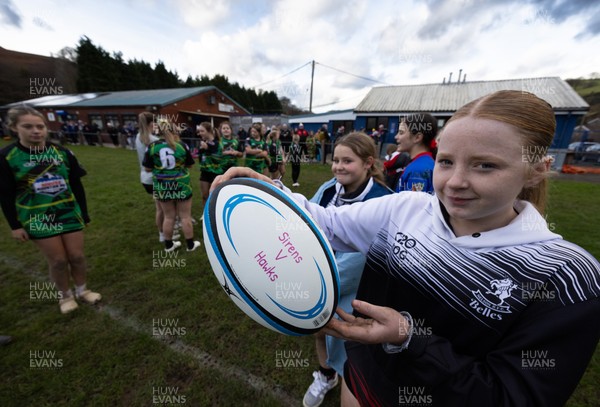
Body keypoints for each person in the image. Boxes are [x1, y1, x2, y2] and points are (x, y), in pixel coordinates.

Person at [212, 90, 600, 407]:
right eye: (446, 161)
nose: (455, 182)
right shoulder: (405, 208)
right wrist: (271, 194)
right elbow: (324, 225)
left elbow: (514, 396)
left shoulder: (568, 276)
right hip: (362, 380)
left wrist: (409, 337)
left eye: (485, 166)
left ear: (536, 169)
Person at [302, 132, 392, 407]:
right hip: (317, 277)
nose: (339, 166)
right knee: (320, 330)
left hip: (355, 288)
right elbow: (304, 220)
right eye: (336, 159)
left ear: (368, 163)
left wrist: (317, 284)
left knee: (347, 340)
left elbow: (360, 260)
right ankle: (326, 375)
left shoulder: (383, 201)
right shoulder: (331, 188)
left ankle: (345, 380)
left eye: (347, 161)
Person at [0, 105, 101, 314]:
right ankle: (65, 296)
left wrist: (84, 212)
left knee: (77, 256)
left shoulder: (62, 152)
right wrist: (15, 225)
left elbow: (76, 185)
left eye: (40, 126)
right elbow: (5, 194)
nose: (36, 131)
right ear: (14, 128)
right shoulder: (7, 157)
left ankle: (83, 290)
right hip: (37, 217)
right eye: (28, 126)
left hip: (68, 213)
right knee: (58, 260)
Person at [142, 119, 200, 252]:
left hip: (163, 186)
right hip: (181, 185)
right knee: (185, 216)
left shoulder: (152, 147)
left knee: (168, 216)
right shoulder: (181, 145)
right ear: (173, 130)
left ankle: (168, 245)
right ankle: (190, 245)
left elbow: (147, 168)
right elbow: (190, 165)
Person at [135, 112, 174, 243]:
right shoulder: (154, 140)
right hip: (156, 177)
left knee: (160, 208)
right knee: (164, 209)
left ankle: (163, 233)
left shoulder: (138, 137)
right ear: (152, 124)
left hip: (145, 178)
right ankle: (166, 235)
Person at [394, 112, 438, 194]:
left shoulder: (418, 170)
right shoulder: (424, 163)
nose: (396, 137)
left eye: (401, 132)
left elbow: (412, 205)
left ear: (417, 137)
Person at [197, 121, 220, 205]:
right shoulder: (203, 143)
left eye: (202, 131)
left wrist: (208, 148)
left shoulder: (217, 143)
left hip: (215, 173)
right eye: (199, 131)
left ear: (209, 131)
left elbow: (218, 156)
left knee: (214, 196)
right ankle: (204, 215)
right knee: (204, 196)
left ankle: (214, 214)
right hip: (204, 172)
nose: (200, 133)